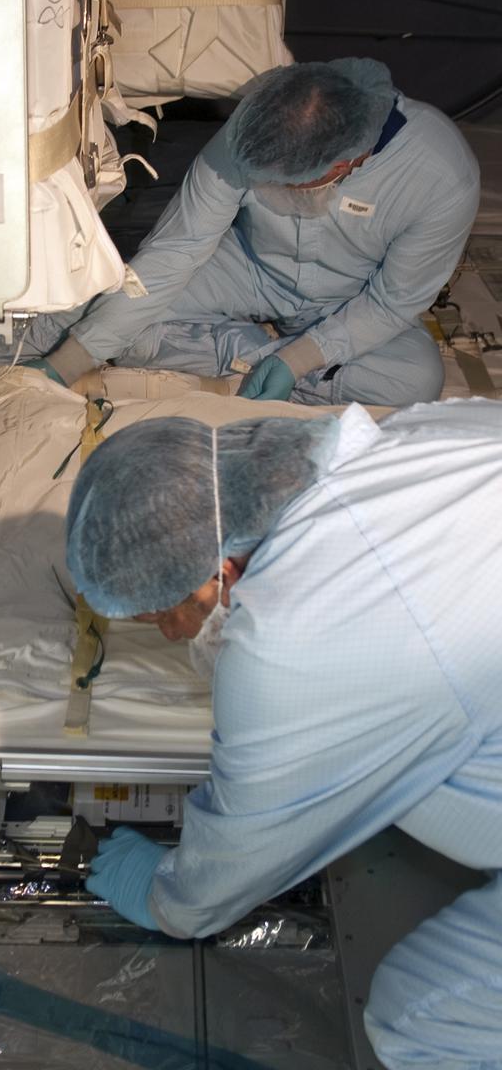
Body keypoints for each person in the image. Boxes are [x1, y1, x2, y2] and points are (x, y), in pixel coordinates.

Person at [65, 399, 502, 1068]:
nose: (171, 634)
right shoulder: (424, 429)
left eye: (162, 615)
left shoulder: (294, 650)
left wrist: (163, 897)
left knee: (419, 1023)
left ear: (220, 572)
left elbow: (232, 864)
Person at [32, 58, 480, 406]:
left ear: (342, 168)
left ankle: (243, 354)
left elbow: (390, 303)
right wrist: (68, 363)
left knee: (415, 379)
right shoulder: (258, 124)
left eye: (280, 184)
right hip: (247, 266)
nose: (262, 187)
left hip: (348, 298)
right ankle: (243, 351)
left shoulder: (441, 175)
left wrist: (298, 358)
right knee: (89, 305)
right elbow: (177, 251)